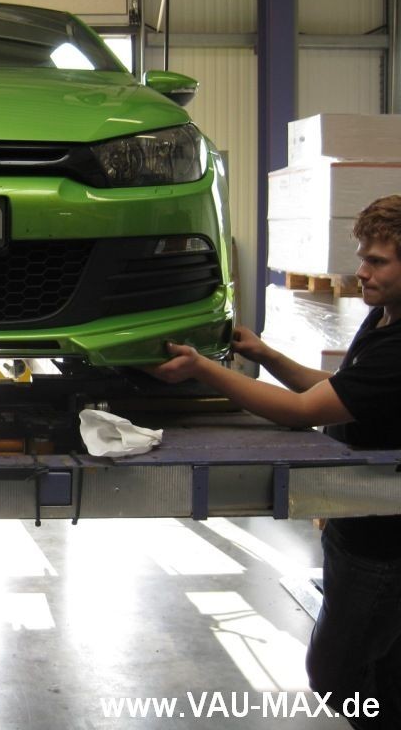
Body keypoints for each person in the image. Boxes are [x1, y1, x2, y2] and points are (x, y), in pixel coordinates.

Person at [150, 193, 401, 728]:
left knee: (337, 677)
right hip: (360, 521)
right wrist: (265, 355)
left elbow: (301, 412)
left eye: (377, 261)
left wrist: (204, 370)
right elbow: (339, 390)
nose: (361, 272)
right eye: (362, 257)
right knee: (383, 669)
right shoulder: (383, 317)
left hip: (384, 543)